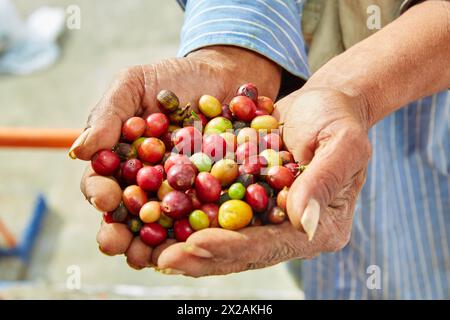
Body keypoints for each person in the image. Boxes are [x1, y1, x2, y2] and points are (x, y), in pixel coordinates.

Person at [68, 0, 450, 299]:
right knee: (305, 231)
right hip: (299, 117)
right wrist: (232, 46)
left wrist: (356, 93)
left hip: (426, 108)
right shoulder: (236, 154)